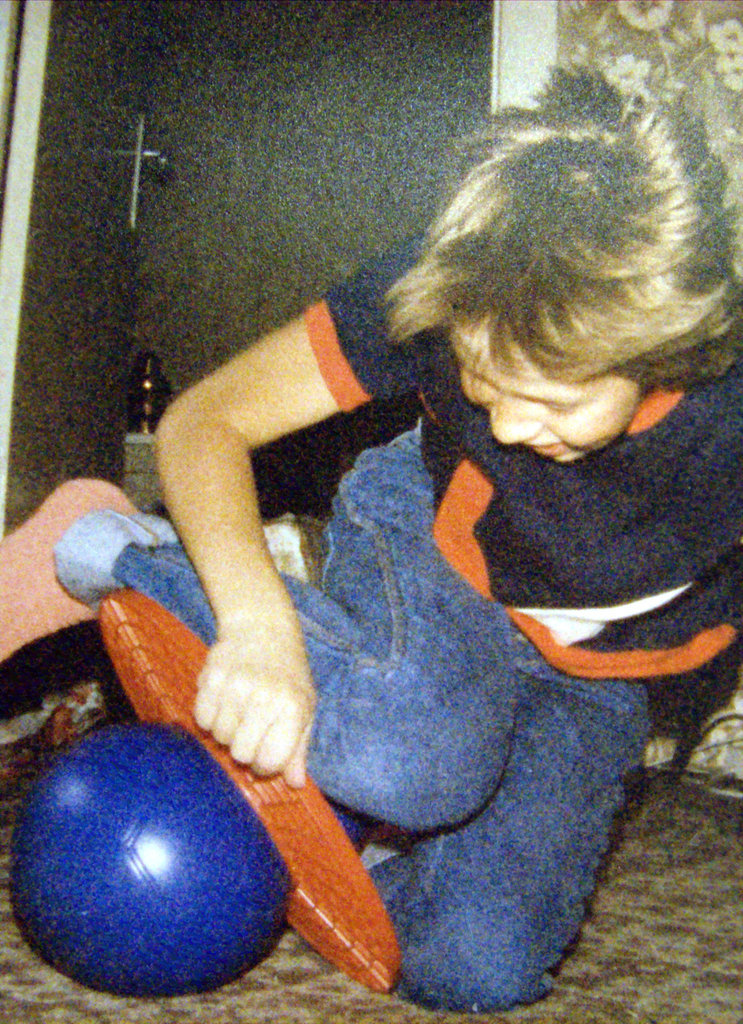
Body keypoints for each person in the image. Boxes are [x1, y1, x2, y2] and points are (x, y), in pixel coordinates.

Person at [2, 67, 742, 1012]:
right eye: (483, 379)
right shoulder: (445, 281)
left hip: (600, 672)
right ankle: (115, 552)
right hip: (442, 544)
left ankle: (359, 807)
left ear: (665, 355)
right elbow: (203, 423)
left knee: (469, 973)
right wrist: (257, 626)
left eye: (553, 400)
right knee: (414, 762)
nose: (510, 426)